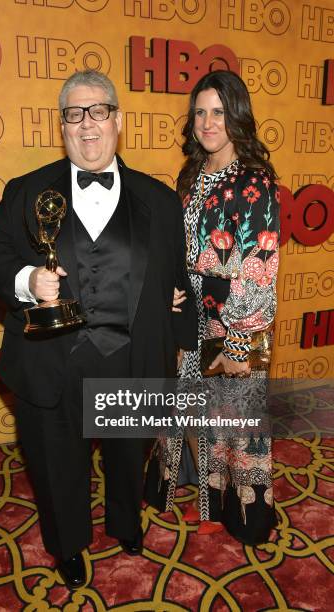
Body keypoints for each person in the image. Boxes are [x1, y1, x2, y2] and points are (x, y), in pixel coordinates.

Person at [0, 70, 196, 589]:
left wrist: (175, 302)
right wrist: (28, 278)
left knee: (127, 452)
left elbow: (176, 273)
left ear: (118, 120)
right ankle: (68, 543)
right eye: (75, 114)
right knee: (57, 465)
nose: (87, 125)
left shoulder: (160, 201)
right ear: (63, 125)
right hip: (54, 361)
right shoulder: (28, 190)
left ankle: (126, 522)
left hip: (130, 359)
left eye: (98, 111)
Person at [168, 70, 280, 544]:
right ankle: (210, 499)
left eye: (218, 111)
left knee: (240, 426)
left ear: (236, 116)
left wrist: (239, 339)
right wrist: (171, 287)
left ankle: (250, 518)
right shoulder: (191, 174)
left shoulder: (255, 181)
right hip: (193, 318)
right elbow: (181, 245)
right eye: (200, 112)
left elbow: (260, 262)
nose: (207, 122)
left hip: (237, 320)